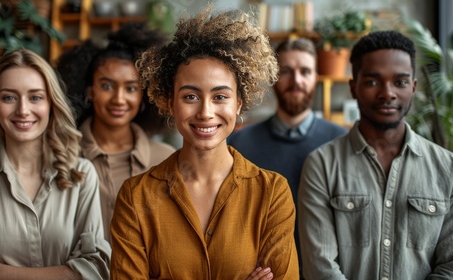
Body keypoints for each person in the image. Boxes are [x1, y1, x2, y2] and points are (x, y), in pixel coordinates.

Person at [109, 6, 299, 280]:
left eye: (220, 97)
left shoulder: (272, 194)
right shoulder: (135, 197)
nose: (206, 112)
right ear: (169, 102)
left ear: (238, 105)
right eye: (190, 97)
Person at [298, 30, 453, 280]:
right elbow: (320, 267)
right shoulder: (322, 165)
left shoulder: (447, 168)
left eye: (400, 82)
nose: (387, 93)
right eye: (372, 82)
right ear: (353, 87)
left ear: (413, 87)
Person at [0, 49, 110, 279]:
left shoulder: (81, 175)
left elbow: (95, 270)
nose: (23, 110)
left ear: (50, 104)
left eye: (35, 97)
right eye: (9, 97)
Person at [227, 37, 347, 269]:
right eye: (286, 72)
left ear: (316, 77)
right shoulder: (238, 144)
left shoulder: (342, 142)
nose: (297, 81)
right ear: (273, 78)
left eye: (305, 71)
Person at [56, 22, 176, 243]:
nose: (119, 99)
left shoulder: (166, 159)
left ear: (144, 96)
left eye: (131, 88)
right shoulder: (61, 155)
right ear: (90, 91)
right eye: (107, 86)